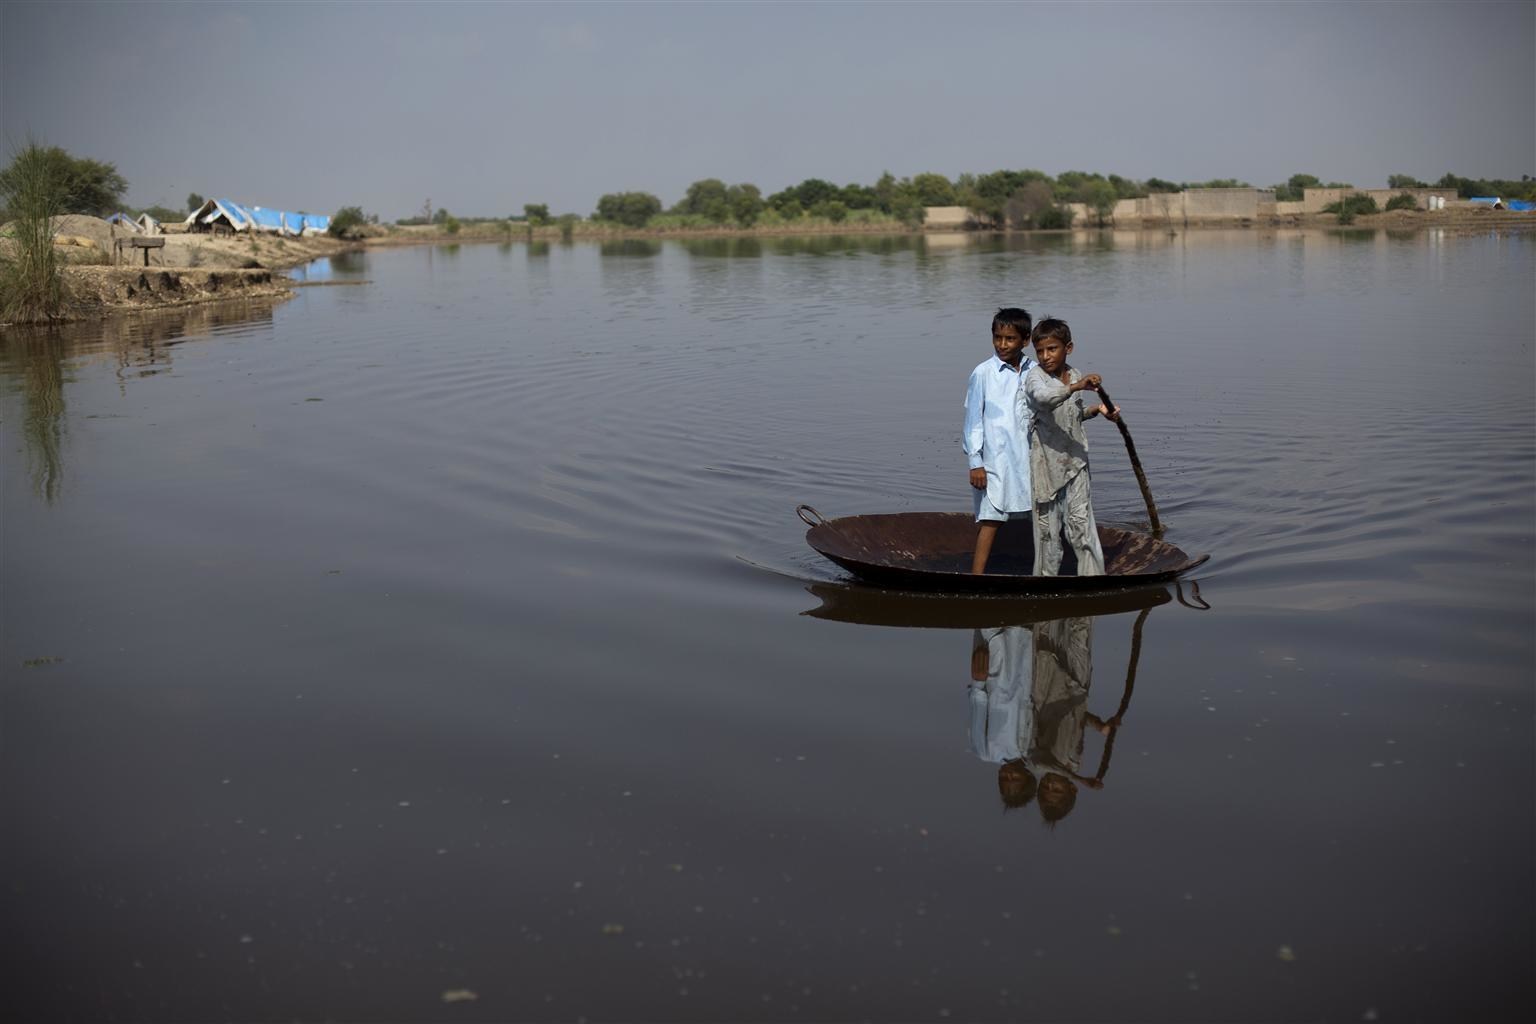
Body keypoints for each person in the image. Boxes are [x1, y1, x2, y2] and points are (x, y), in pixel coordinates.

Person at [1021, 318, 1117, 577]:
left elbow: (1072, 414)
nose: (1045, 356)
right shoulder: (1034, 377)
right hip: (1046, 468)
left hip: (1075, 462)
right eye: (1040, 351)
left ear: (1068, 348)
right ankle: (1045, 585)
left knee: (1082, 526)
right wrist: (1077, 386)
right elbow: (1044, 399)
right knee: (1048, 536)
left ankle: (1093, 579)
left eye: (1052, 349)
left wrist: (1097, 410)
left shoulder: (1074, 374)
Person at [962, 307, 1034, 574]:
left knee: (1039, 516)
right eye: (997, 337)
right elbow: (973, 423)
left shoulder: (1034, 372)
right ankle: (976, 577)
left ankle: (1044, 571)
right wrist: (975, 463)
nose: (1002, 344)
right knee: (991, 519)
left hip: (1027, 458)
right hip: (994, 460)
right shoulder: (983, 373)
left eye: (1010, 339)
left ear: (1025, 340)